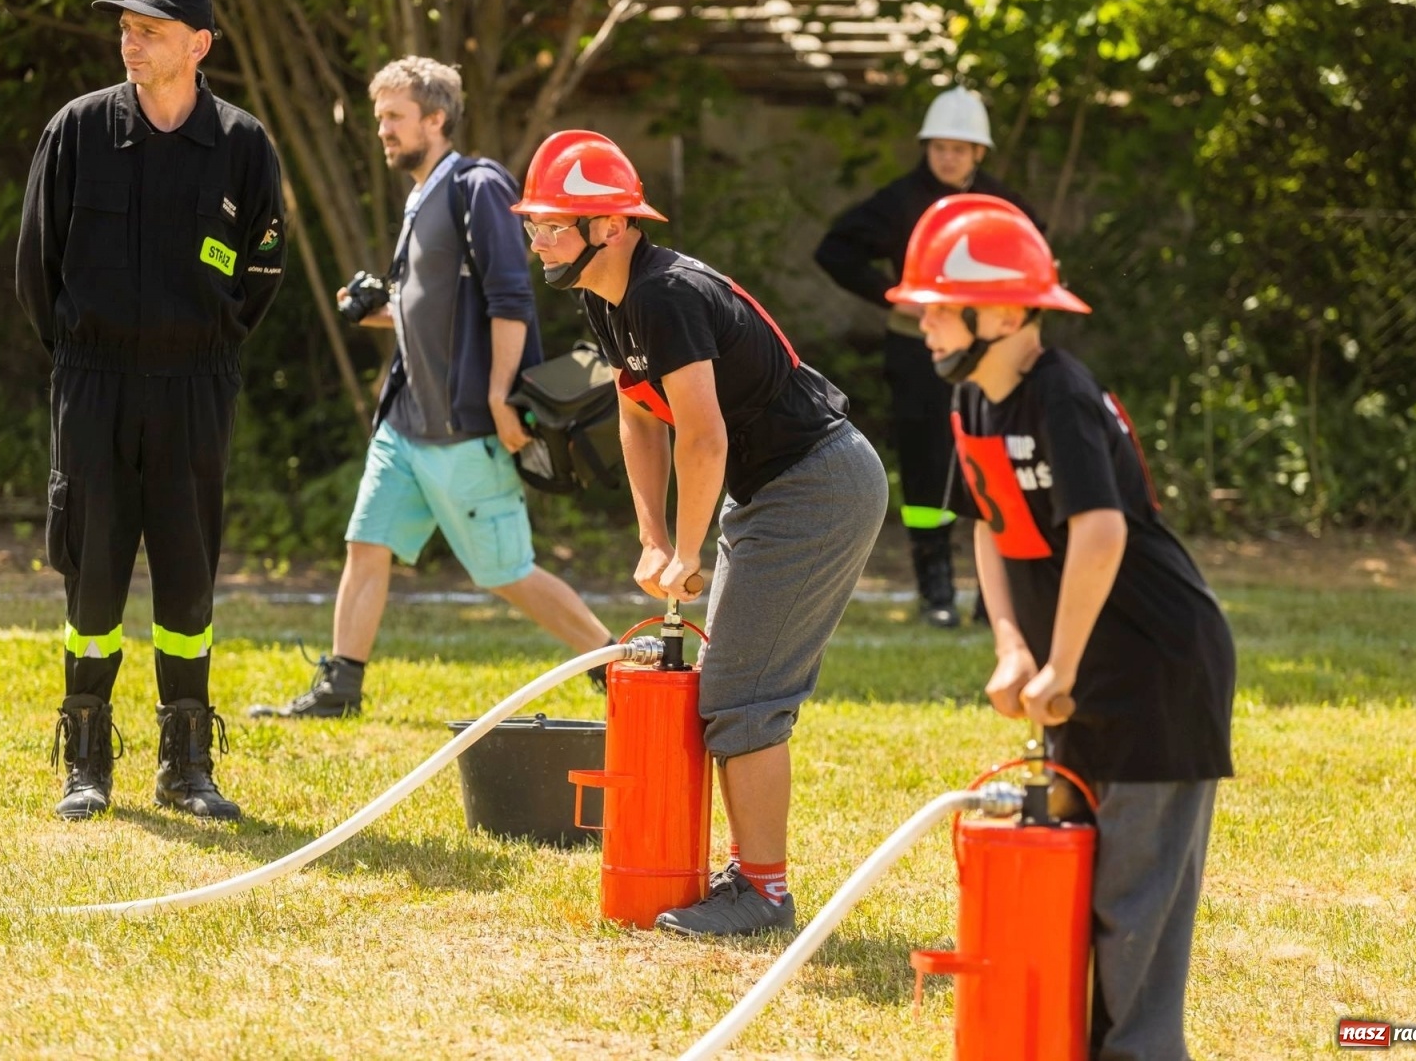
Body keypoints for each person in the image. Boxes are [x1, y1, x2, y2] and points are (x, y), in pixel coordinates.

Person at [513, 130, 889, 937]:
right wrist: (654, 537)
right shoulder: (605, 297)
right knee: (729, 688)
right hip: (768, 491)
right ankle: (748, 876)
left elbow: (704, 435)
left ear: (611, 227)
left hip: (817, 486)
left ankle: (764, 894)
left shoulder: (665, 295)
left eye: (554, 223)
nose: (539, 238)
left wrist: (689, 550)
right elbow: (638, 418)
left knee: (742, 696)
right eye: (534, 223)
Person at [888, 194, 1235, 1060]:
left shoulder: (1062, 398)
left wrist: (1062, 665)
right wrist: (1012, 645)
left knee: (1133, 901)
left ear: (1003, 311)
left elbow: (1103, 529)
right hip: (1076, 675)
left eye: (937, 307)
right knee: (1071, 879)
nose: (925, 325)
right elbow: (987, 524)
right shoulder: (972, 402)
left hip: (1157, 672)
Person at [250, 58, 612, 721]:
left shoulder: (477, 186)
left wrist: (503, 398)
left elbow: (510, 300)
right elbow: (439, 306)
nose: (382, 130)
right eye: (380, 116)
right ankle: (341, 685)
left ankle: (609, 664)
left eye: (395, 116)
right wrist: (379, 310)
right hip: (406, 423)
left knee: (505, 572)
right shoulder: (421, 195)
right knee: (368, 543)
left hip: (466, 429)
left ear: (436, 119)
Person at [15, 0, 286, 821]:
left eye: (150, 32)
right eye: (126, 29)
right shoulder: (79, 129)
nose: (128, 43)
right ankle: (87, 759)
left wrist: (202, 347)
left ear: (198, 45)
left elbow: (263, 268)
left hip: (195, 386)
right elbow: (38, 265)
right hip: (94, 382)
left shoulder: (241, 145)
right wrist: (83, 359)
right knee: (90, 572)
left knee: (187, 573)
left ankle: (187, 762)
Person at [815, 86, 1043, 629]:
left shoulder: (1001, 206)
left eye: (959, 149)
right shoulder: (898, 202)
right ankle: (935, 589)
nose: (948, 157)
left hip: (989, 358)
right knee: (926, 467)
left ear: (979, 153)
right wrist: (888, 295)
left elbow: (1037, 261)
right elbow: (835, 250)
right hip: (917, 354)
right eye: (939, 147)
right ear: (927, 147)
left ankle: (996, 595)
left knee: (994, 458)